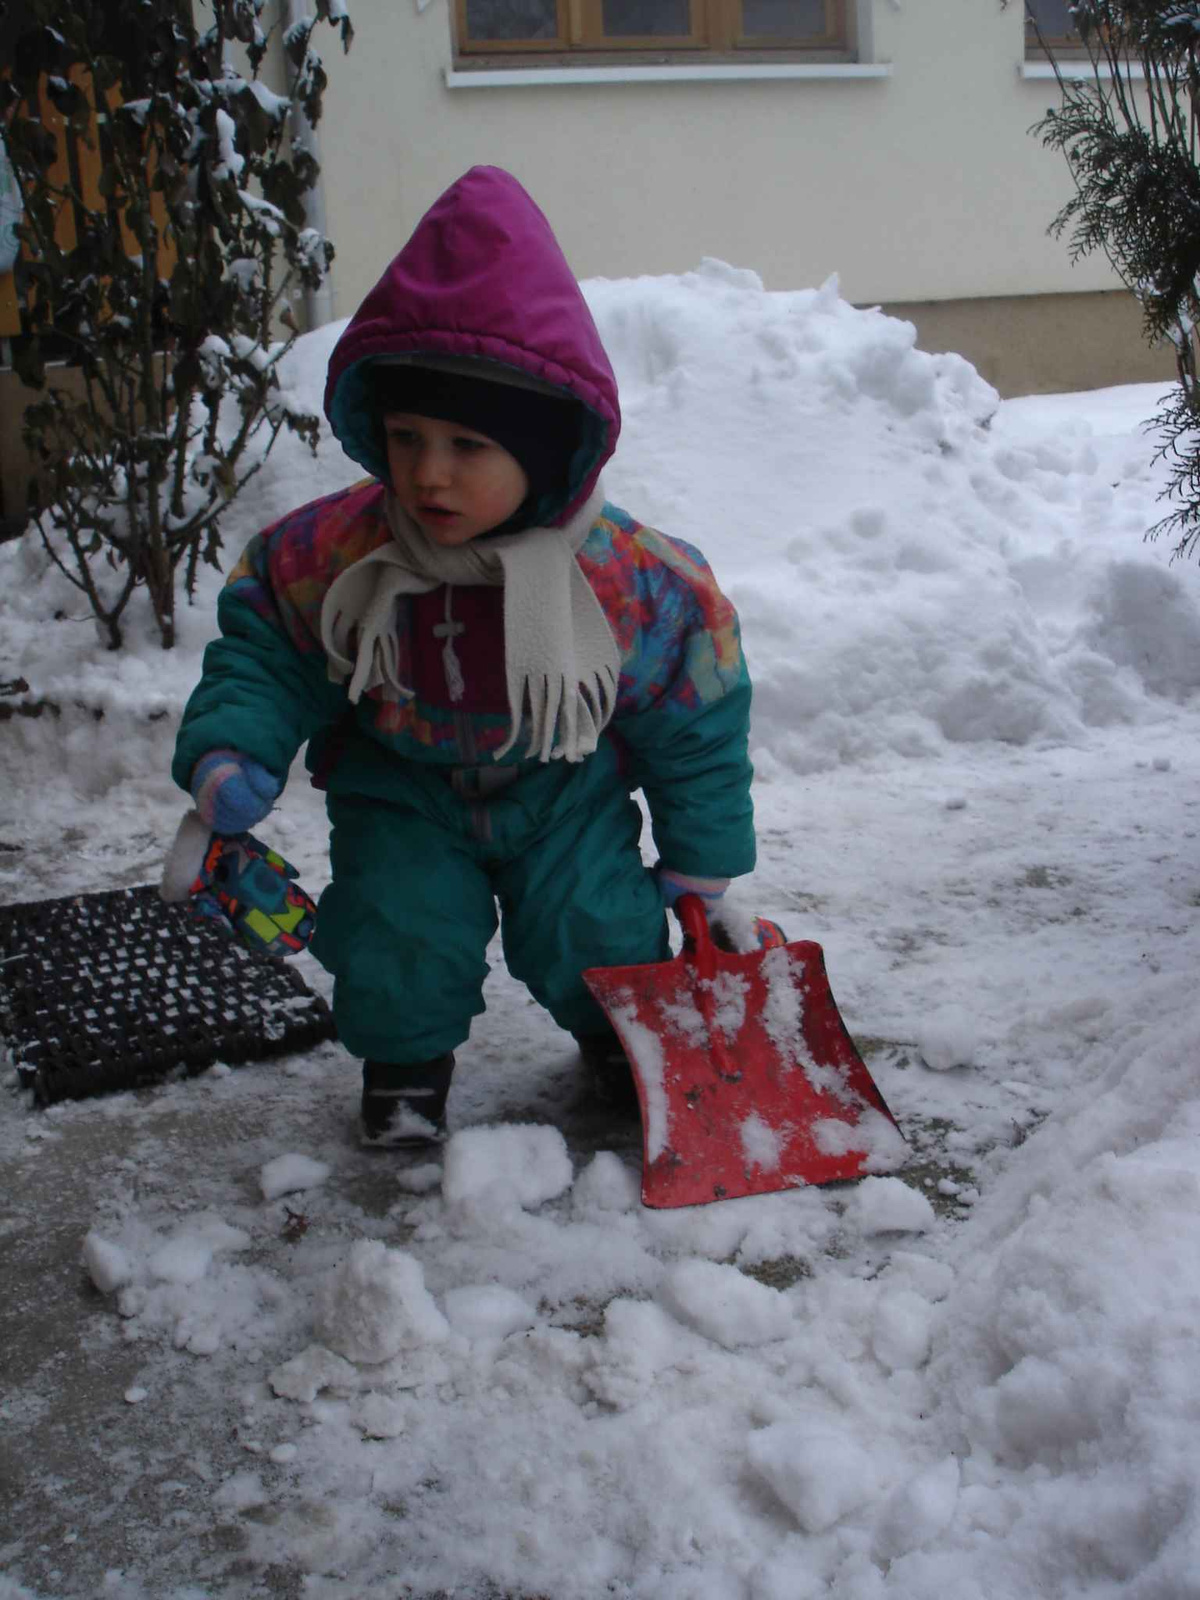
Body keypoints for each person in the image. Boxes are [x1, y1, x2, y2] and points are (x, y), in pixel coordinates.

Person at [172, 165, 756, 1146]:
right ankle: (404, 1070)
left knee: (596, 925)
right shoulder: (345, 554)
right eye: (405, 436)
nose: (427, 472)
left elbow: (697, 714)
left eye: (467, 445)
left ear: (545, 450)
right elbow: (269, 638)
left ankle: (620, 1037)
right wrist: (237, 748)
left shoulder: (627, 580)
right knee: (397, 932)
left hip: (560, 787)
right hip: (403, 783)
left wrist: (702, 858)